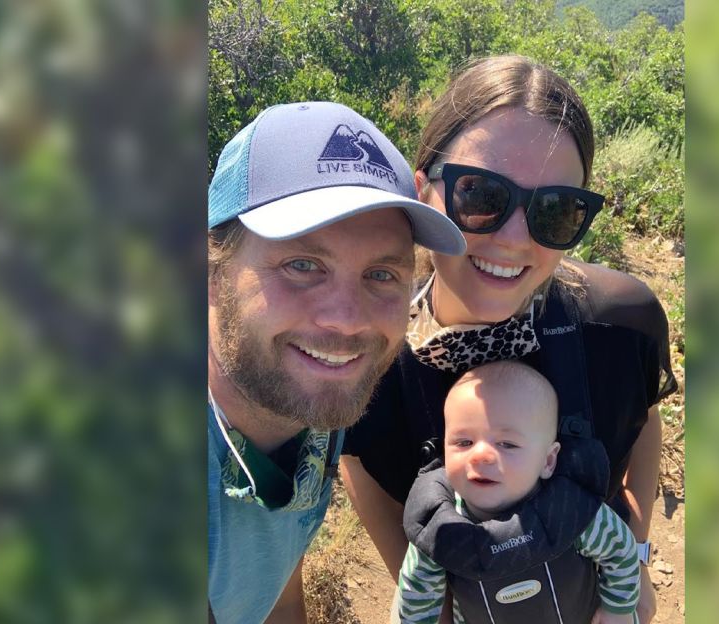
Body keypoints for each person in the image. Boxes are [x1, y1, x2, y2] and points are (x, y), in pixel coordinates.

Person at [340, 55, 677, 624]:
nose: (516, 239)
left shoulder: (620, 324)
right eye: (481, 195)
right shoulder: (370, 362)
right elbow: (362, 460)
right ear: (425, 191)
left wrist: (635, 558)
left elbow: (641, 425)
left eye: (556, 209)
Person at [207, 101, 465, 623]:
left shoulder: (309, 402)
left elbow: (277, 587)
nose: (347, 322)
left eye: (381, 274)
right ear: (211, 272)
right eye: (302, 265)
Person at [398, 360, 641, 624]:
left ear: (548, 462)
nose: (480, 455)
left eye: (507, 444)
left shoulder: (570, 512)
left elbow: (620, 550)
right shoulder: (440, 530)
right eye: (463, 442)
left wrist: (617, 610)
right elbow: (416, 594)